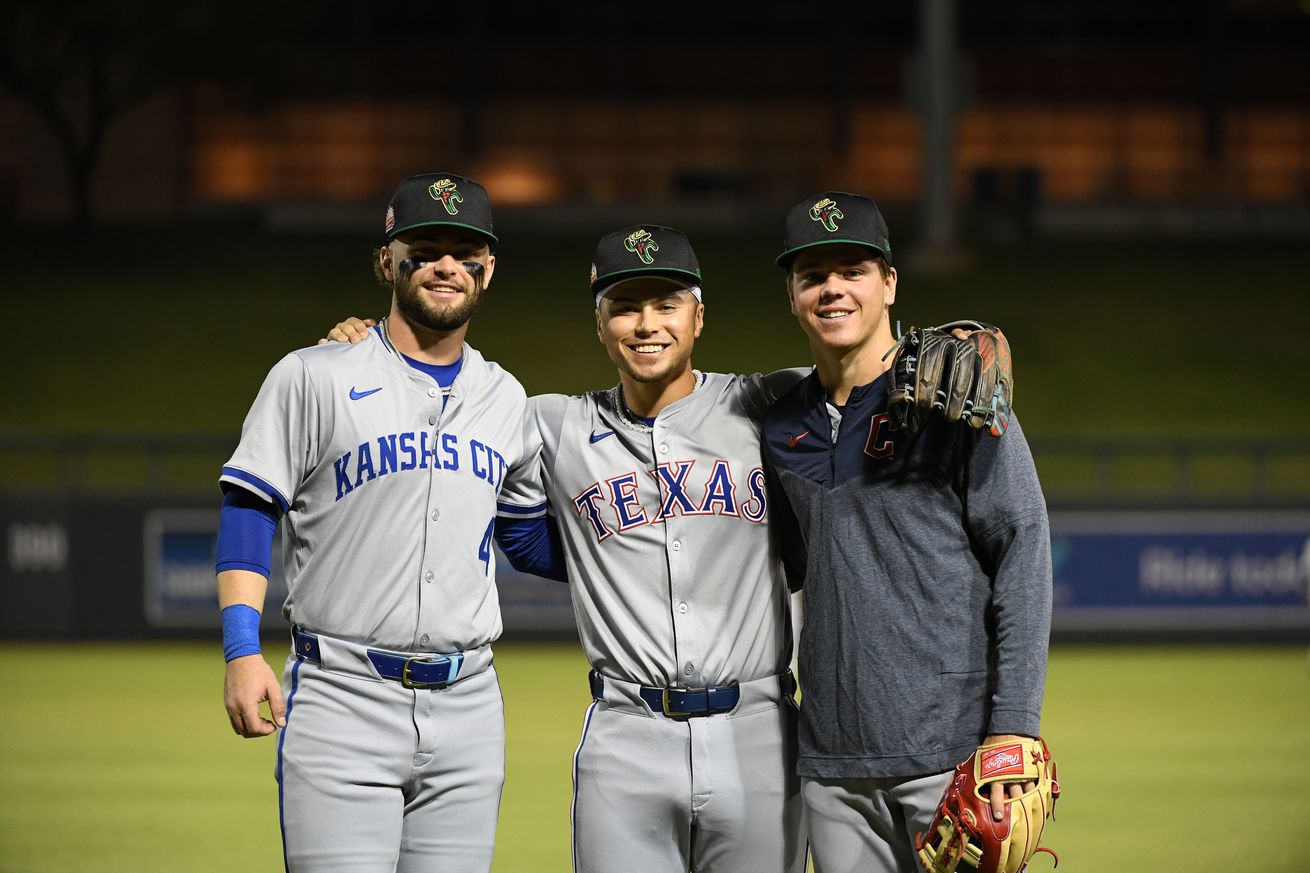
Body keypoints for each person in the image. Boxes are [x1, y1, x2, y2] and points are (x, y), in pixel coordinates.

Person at [330, 224, 809, 873]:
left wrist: (959, 342)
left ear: (699, 317)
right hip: (626, 736)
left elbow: (865, 376)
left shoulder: (767, 403)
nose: (647, 324)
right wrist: (370, 350)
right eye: (625, 306)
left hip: (759, 731)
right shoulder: (555, 423)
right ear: (599, 323)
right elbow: (446, 431)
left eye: (666, 303)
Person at [216, 173, 535, 873]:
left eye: (466, 250)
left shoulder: (506, 398)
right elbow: (248, 509)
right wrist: (242, 648)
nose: (447, 264)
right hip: (342, 696)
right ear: (386, 261)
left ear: (488, 269)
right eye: (424, 248)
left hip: (470, 704)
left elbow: (526, 534)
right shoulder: (315, 375)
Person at [760, 191, 1053, 873]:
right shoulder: (781, 426)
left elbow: (1023, 550)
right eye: (812, 274)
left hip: (951, 756)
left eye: (853, 269)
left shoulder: (955, 397)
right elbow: (798, 564)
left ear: (889, 282)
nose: (833, 287)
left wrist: (1012, 726)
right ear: (794, 294)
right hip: (832, 765)